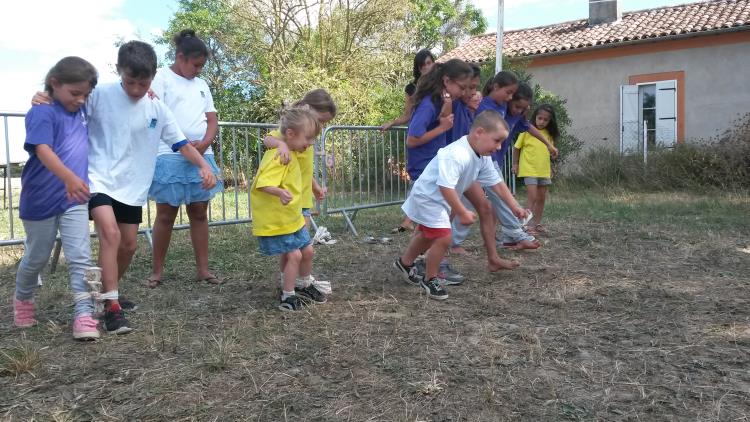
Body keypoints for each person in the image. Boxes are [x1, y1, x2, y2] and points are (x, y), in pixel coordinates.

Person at [33, 41, 217, 334]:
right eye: (130, 81)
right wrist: (45, 97)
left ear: (153, 77)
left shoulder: (157, 107)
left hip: (132, 186)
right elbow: (70, 103)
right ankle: (114, 307)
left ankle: (105, 295)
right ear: (119, 71)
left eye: (143, 83)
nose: (135, 89)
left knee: (129, 245)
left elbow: (181, 143)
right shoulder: (100, 95)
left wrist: (203, 166)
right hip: (97, 179)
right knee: (110, 233)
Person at [394, 110, 528, 300]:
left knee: (427, 234)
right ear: (479, 132)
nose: (499, 147)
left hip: (438, 199)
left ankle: (405, 262)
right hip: (429, 198)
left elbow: (497, 183)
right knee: (443, 238)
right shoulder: (457, 154)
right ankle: (430, 278)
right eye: (497, 140)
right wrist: (462, 211)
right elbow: (445, 187)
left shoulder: (483, 157)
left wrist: (515, 206)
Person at [14, 57, 100, 340]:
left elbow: (116, 94)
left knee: (81, 257)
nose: (80, 99)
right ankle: (23, 299)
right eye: (75, 93)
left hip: (74, 198)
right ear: (54, 83)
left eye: (85, 94)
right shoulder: (42, 111)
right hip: (40, 199)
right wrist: (69, 177)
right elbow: (42, 149)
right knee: (36, 257)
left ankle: (84, 313)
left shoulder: (81, 108)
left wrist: (148, 92)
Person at [146, 29, 223, 288]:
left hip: (203, 153)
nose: (198, 70)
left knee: (199, 212)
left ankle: (203, 269)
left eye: (202, 65)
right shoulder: (161, 78)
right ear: (180, 57)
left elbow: (212, 120)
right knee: (166, 213)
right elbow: (157, 115)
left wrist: (203, 144)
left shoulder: (202, 85)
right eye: (195, 64)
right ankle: (157, 271)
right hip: (170, 153)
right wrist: (184, 145)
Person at [262, 89, 337, 303]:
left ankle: (297, 281)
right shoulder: (292, 133)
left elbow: (305, 170)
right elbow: (268, 138)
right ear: (308, 109)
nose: (320, 127)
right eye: (320, 120)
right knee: (291, 247)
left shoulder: (307, 138)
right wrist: (281, 144)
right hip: (290, 200)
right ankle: (287, 283)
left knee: (300, 245)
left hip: (302, 199)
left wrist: (315, 188)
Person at [251, 106, 322, 311]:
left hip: (293, 216)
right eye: (307, 139)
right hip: (279, 219)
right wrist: (280, 193)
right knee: (294, 255)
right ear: (290, 134)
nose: (309, 145)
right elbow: (262, 184)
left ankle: (303, 283)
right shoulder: (279, 156)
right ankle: (288, 296)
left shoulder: (290, 151)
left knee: (307, 250)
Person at [381, 49, 436, 233]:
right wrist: (392, 122)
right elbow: (407, 115)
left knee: (428, 180)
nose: (427, 67)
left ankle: (410, 219)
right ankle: (409, 219)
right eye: (423, 64)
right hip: (418, 137)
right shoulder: (412, 89)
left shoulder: (440, 86)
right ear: (418, 68)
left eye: (430, 63)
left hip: (437, 137)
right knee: (418, 178)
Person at [513, 104, 559, 235]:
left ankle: (536, 224)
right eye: (540, 118)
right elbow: (516, 148)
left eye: (546, 120)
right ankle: (525, 225)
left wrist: (550, 168)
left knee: (541, 198)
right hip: (529, 170)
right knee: (532, 197)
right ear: (535, 117)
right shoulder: (527, 130)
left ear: (550, 121)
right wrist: (515, 164)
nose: (542, 122)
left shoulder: (549, 135)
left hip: (543, 171)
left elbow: (547, 153)